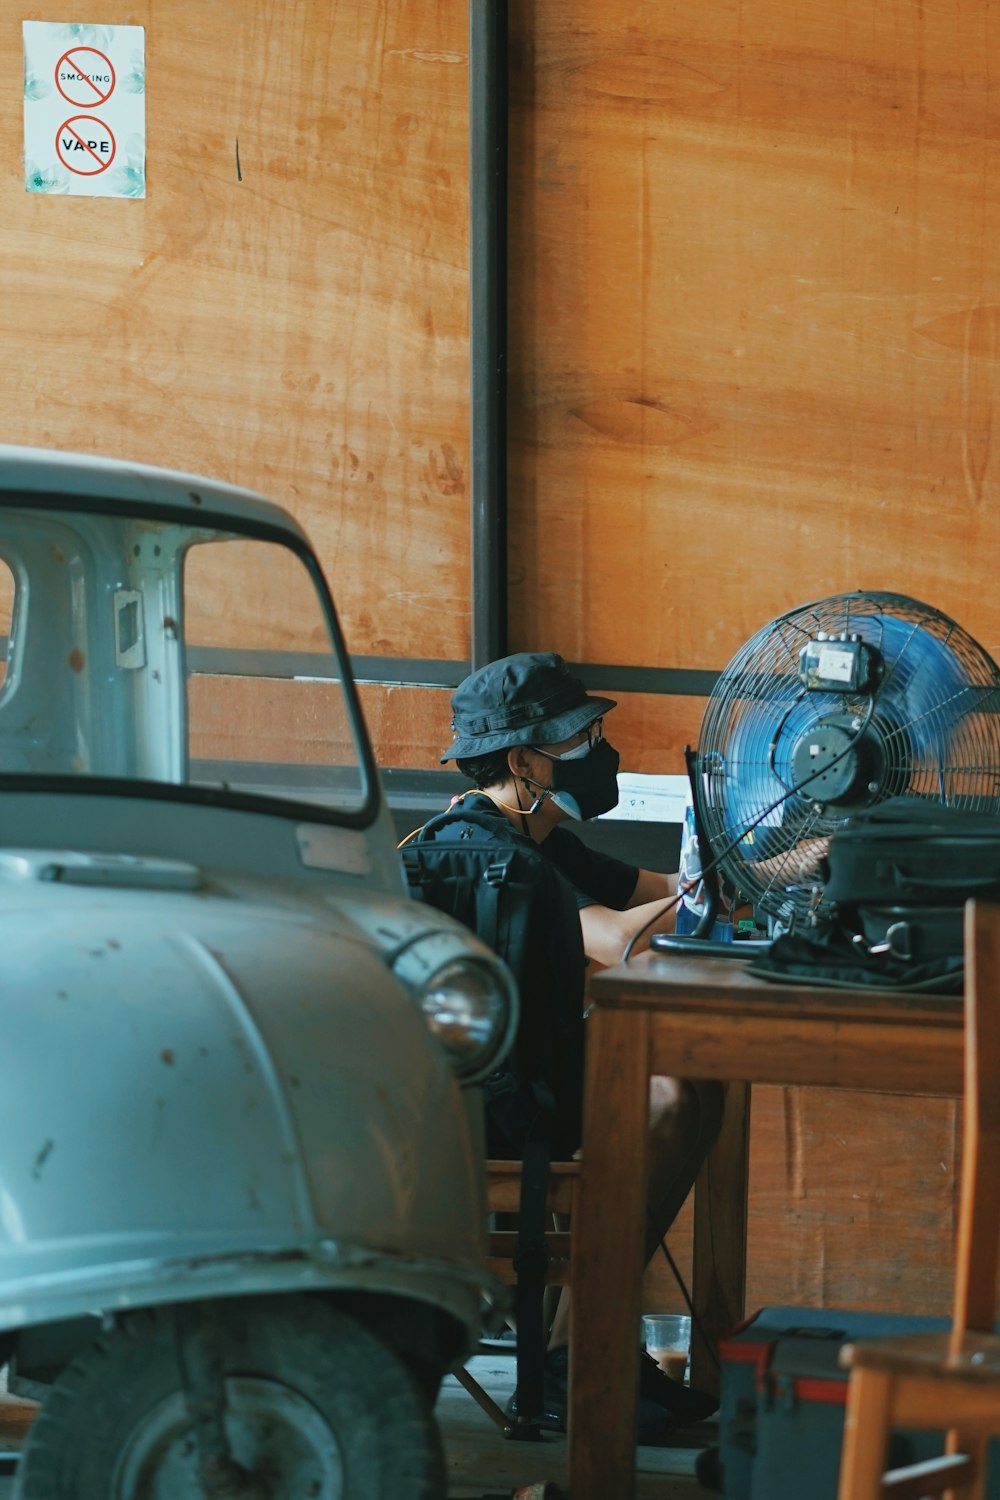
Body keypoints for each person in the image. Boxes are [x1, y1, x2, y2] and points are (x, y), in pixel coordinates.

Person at [436, 651, 724, 1443]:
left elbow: (660, 886)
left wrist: (764, 867)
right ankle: (576, 1358)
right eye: (581, 737)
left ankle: (584, 1348)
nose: (602, 750)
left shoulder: (545, 833)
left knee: (696, 1086)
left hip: (535, 1083)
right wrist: (707, 892)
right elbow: (622, 939)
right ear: (525, 758)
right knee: (667, 1096)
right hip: (489, 1111)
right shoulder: (489, 852)